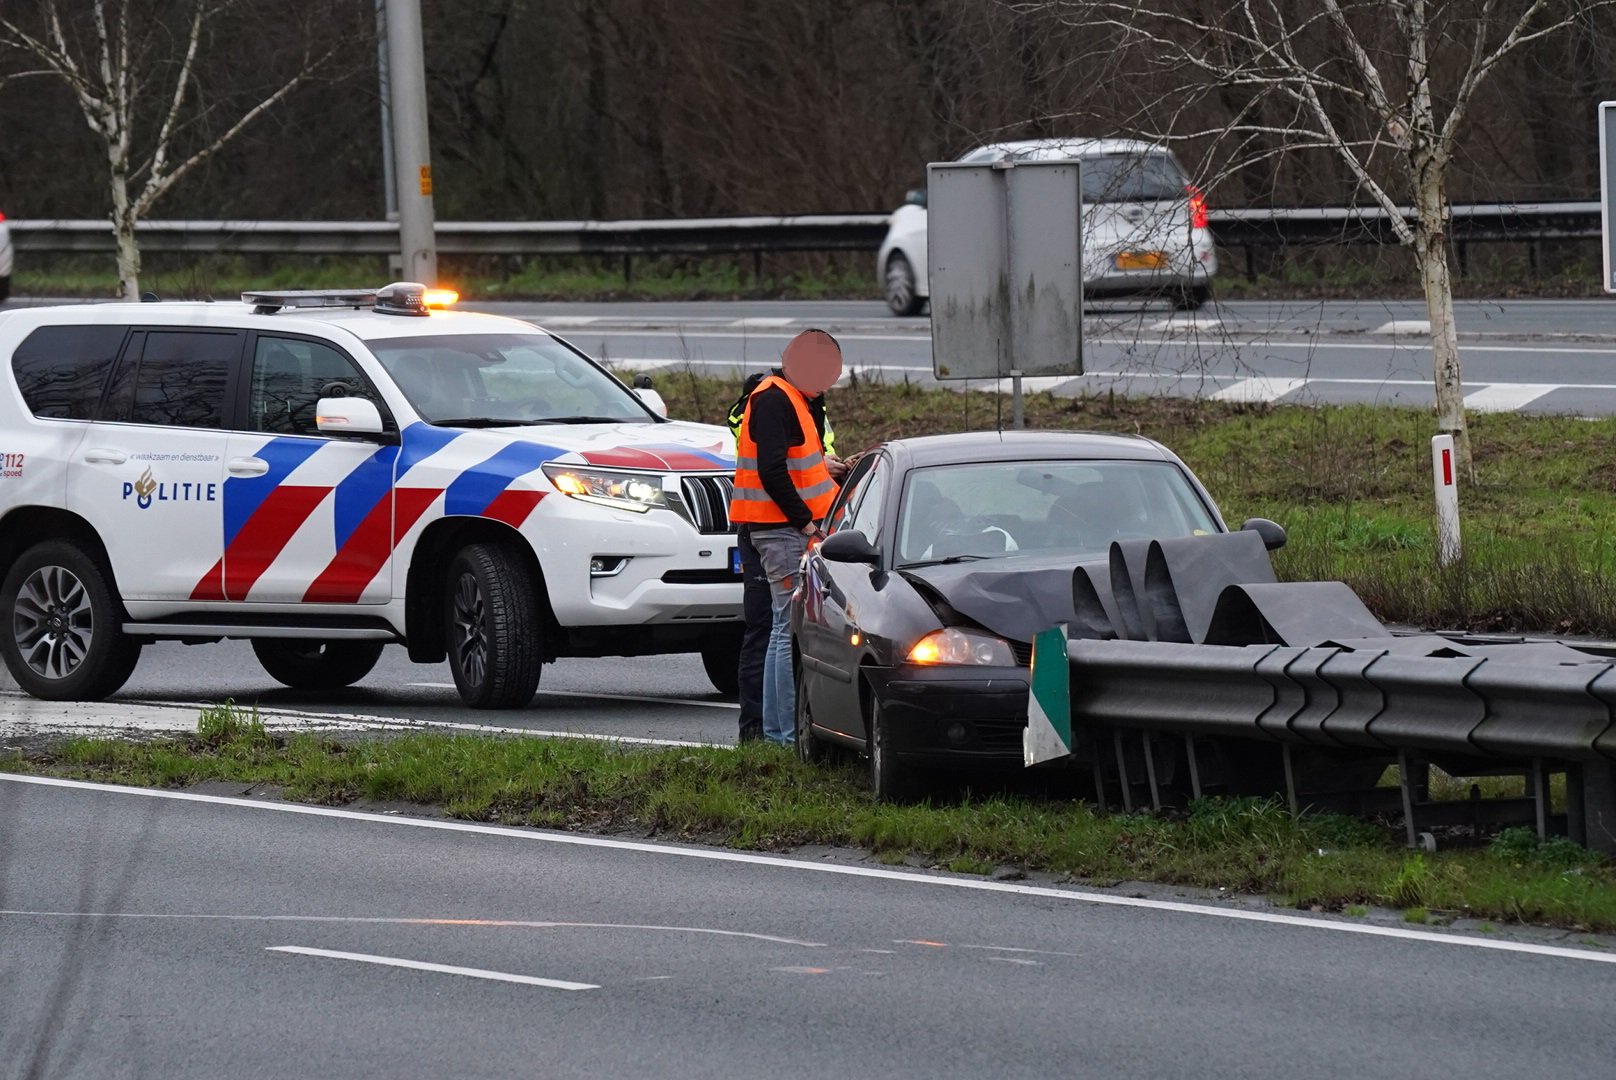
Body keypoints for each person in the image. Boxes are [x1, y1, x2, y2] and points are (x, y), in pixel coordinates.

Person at [728, 329, 848, 746]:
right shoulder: (774, 398)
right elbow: (772, 472)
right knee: (782, 629)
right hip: (779, 531)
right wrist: (806, 524)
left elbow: (793, 466)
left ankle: (780, 733)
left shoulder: (796, 398)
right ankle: (778, 735)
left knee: (782, 627)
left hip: (781, 528)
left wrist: (825, 468)